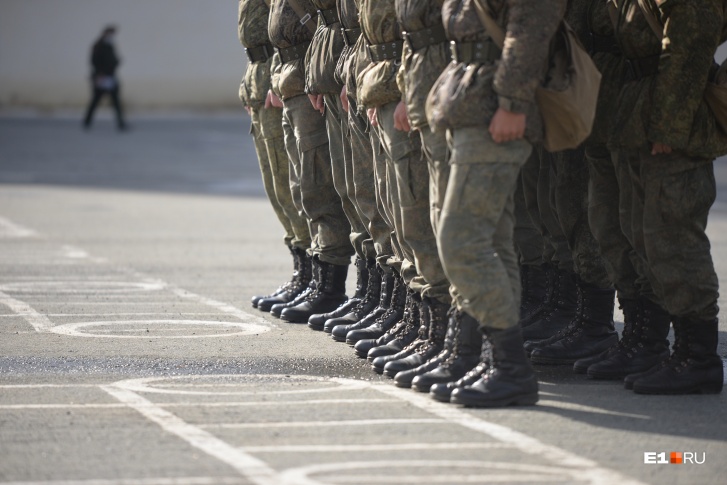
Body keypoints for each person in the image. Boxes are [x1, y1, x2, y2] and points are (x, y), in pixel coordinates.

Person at [426, 0, 566, 407]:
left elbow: (531, 29)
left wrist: (512, 102)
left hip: (495, 112)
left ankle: (512, 368)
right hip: (469, 106)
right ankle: (496, 361)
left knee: (461, 241)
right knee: (494, 243)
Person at [606, 0, 725, 394]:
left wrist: (668, 128)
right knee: (647, 237)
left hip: (674, 125)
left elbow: (688, 47)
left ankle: (699, 357)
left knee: (674, 237)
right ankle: (671, 349)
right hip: (644, 112)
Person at [238, 0, 313, 313]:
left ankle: (313, 277)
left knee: (290, 183)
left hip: (276, 73)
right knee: (276, 187)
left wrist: (275, 79)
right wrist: (249, 83)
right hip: (260, 77)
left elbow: (292, 25)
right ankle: (301, 272)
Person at [82, 26, 127, 131]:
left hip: (111, 77)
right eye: (111, 34)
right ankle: (87, 122)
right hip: (101, 78)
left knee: (116, 102)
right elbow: (94, 61)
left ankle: (121, 123)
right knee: (96, 100)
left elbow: (112, 61)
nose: (112, 36)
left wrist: (117, 62)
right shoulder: (98, 46)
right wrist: (99, 73)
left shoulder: (110, 46)